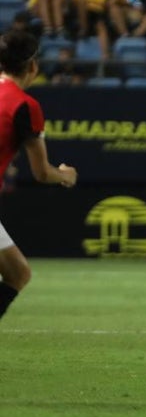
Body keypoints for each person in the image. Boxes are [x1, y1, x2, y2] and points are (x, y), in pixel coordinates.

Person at [0, 30, 79, 324]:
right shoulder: (25, 106)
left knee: (17, 272)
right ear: (33, 65)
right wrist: (65, 175)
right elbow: (42, 172)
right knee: (18, 273)